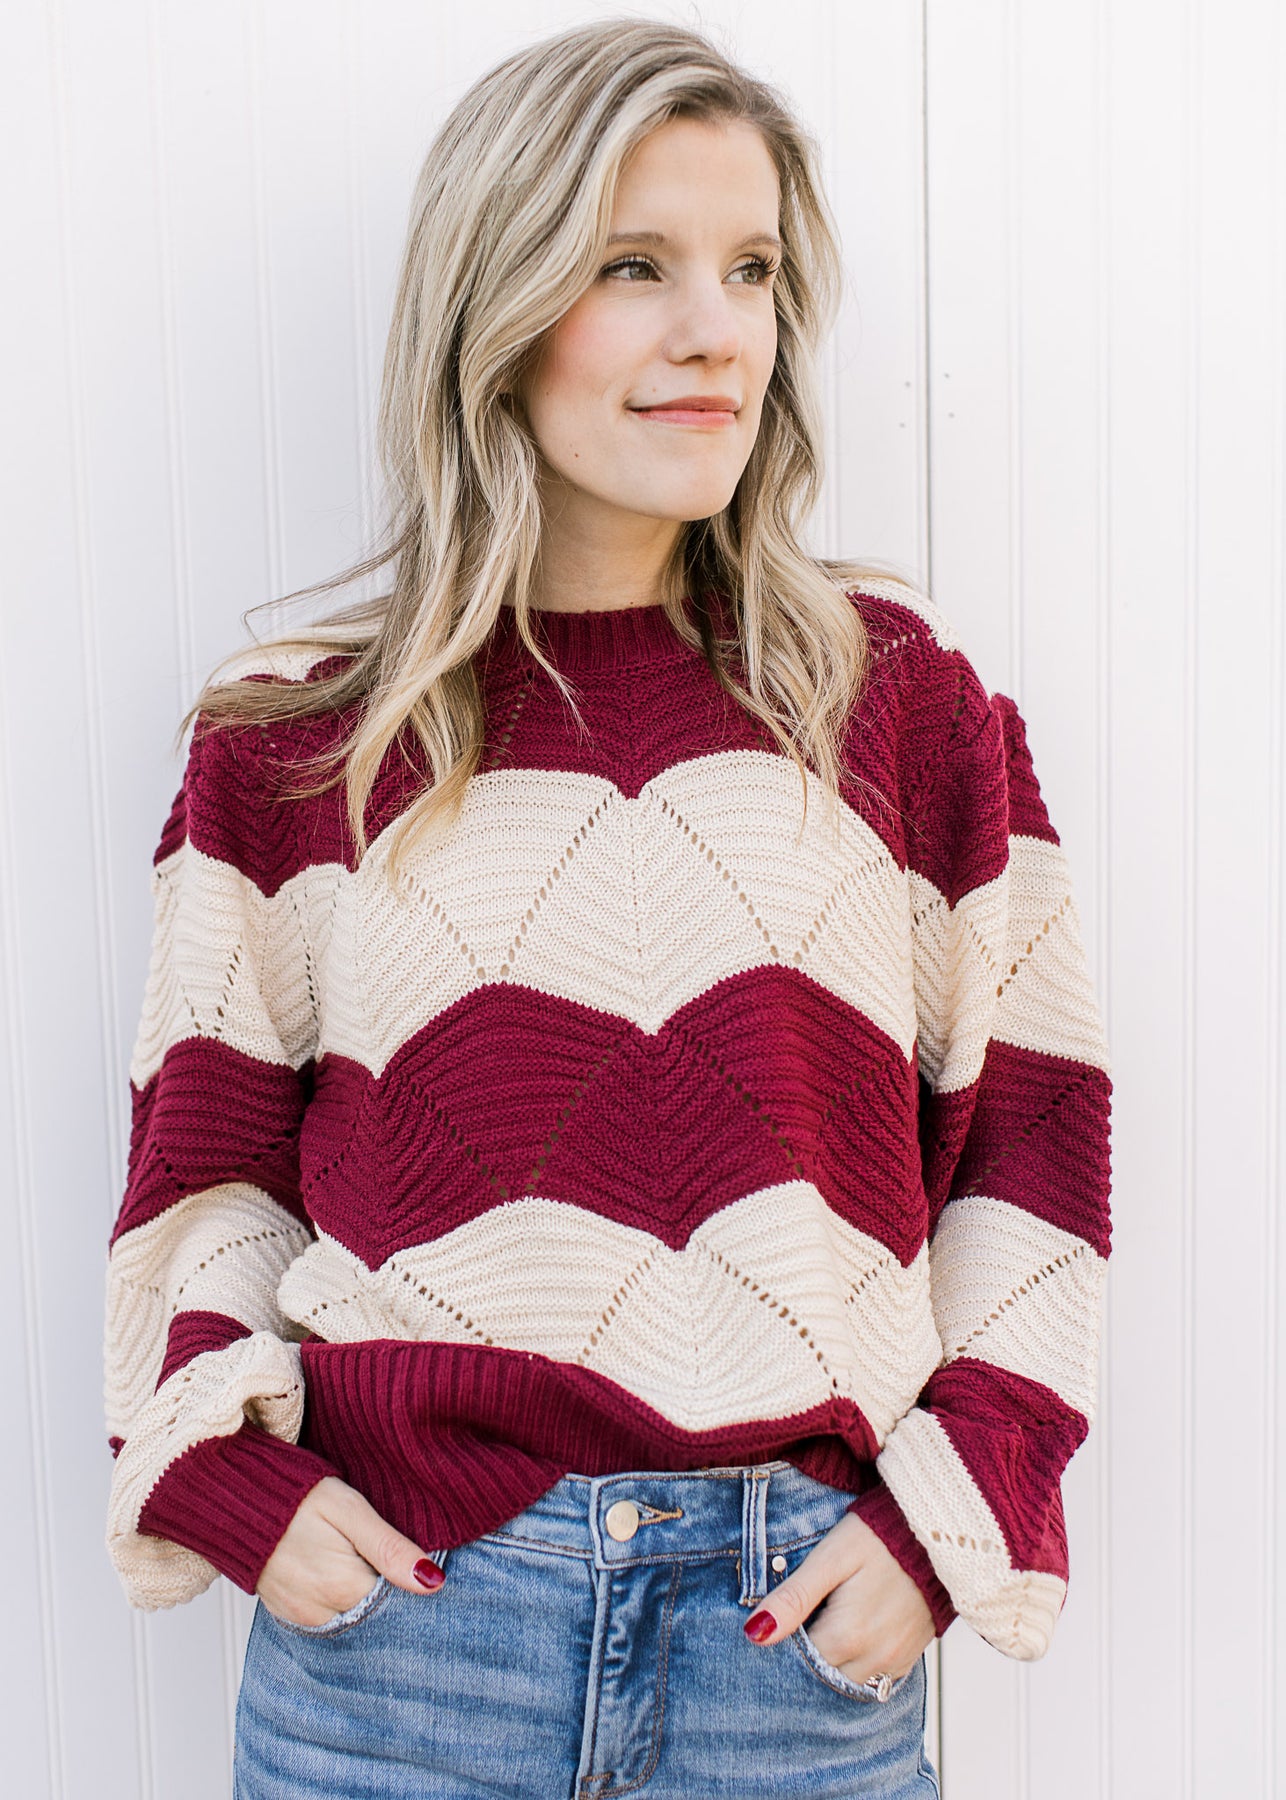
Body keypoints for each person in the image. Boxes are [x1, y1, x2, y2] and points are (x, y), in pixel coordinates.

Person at [101, 16, 1113, 1798]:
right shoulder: (295, 738)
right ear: (492, 302)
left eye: (752, 270)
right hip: (404, 1654)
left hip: (790, 1652)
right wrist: (234, 1477)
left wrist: (954, 1508)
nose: (716, 329)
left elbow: (1029, 1142)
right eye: (632, 265)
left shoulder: (900, 708)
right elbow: (210, 1175)